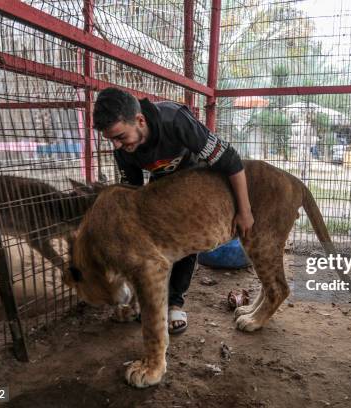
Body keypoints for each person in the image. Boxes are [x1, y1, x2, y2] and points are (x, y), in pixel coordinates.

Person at [93, 87, 254, 334]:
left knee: (186, 241)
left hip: (196, 180)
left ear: (140, 120)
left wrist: (245, 212)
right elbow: (132, 193)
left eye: (120, 137)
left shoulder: (175, 119)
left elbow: (230, 160)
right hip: (161, 185)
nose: (115, 145)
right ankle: (146, 301)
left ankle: (176, 303)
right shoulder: (122, 150)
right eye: (110, 139)